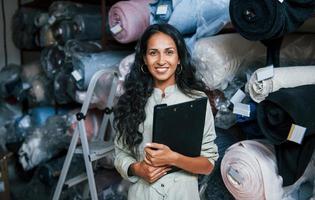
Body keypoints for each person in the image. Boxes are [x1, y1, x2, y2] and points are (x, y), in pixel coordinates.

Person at [113, 23, 218, 200]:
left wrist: (174, 158)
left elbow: (208, 165)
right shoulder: (131, 101)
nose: (161, 60)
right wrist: (137, 169)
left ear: (179, 58)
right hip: (143, 194)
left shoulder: (197, 100)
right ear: (145, 59)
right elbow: (120, 154)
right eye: (153, 53)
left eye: (169, 52)